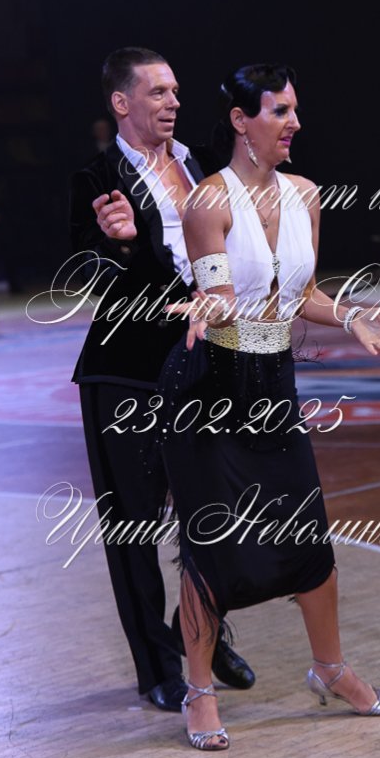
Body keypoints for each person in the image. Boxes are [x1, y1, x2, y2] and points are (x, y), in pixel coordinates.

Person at [160, 63, 380, 750]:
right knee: (209, 547)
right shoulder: (207, 201)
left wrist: (352, 317)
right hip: (210, 387)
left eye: (295, 109)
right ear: (241, 120)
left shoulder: (306, 194)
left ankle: (329, 666)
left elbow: (300, 293)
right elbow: (219, 295)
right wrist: (207, 307)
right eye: (280, 110)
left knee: (309, 535)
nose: (294, 122)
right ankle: (199, 690)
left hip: (273, 384)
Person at [69, 46, 254, 713]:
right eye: (157, 92)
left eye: (175, 90)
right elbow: (82, 274)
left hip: (202, 363)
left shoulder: (199, 163)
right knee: (134, 527)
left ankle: (201, 627)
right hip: (126, 373)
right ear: (121, 102)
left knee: (215, 511)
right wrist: (117, 242)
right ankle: (157, 666)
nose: (173, 101)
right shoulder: (96, 177)